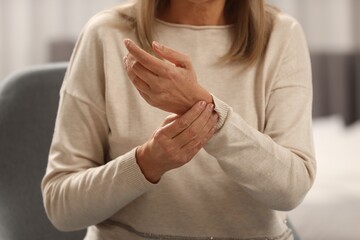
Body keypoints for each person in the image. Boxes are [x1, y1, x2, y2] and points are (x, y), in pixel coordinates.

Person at [41, 0, 316, 239]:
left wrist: (204, 110)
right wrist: (145, 163)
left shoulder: (281, 35)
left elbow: (291, 191)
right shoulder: (105, 33)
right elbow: (61, 207)